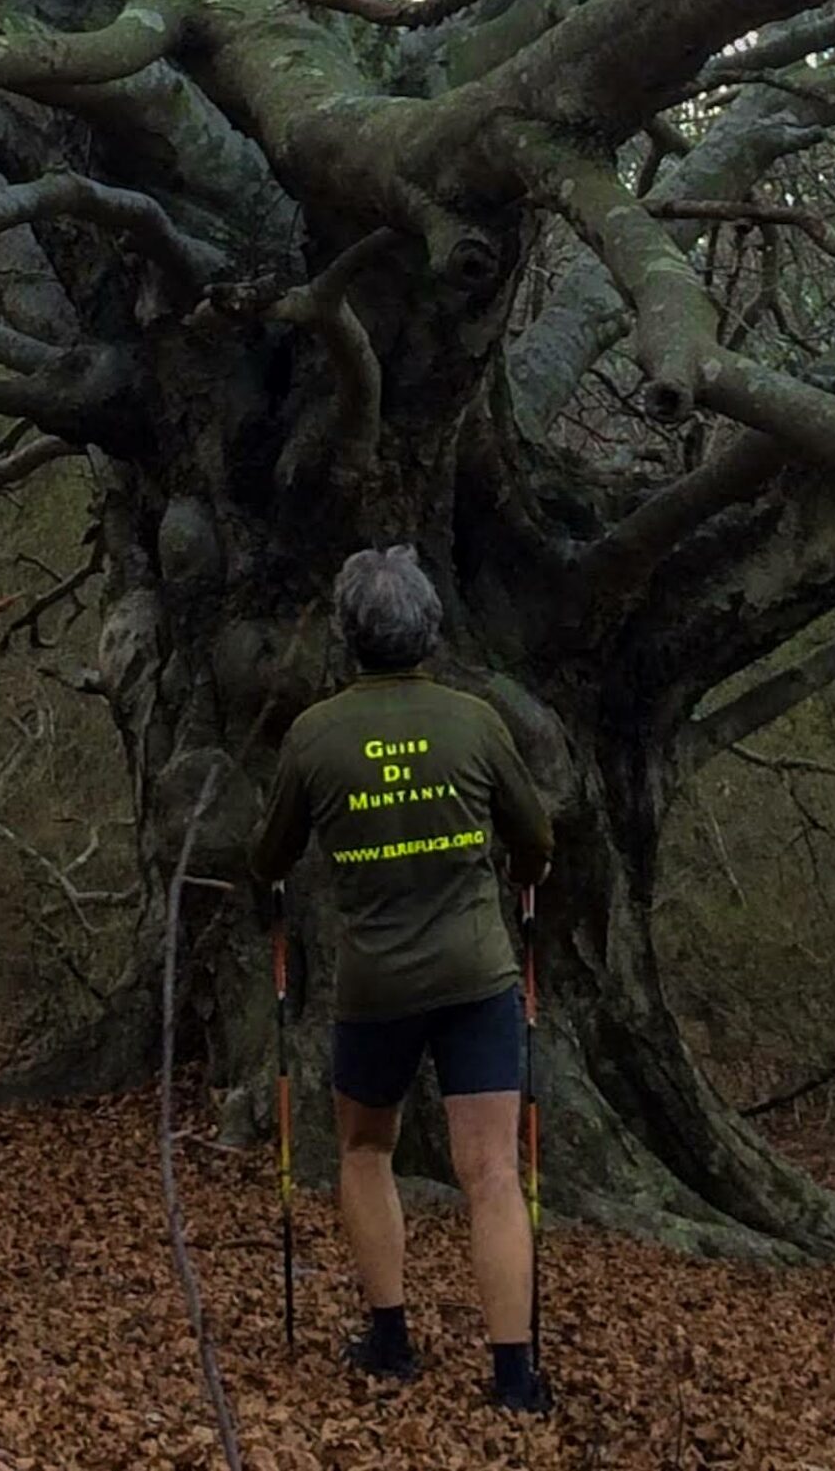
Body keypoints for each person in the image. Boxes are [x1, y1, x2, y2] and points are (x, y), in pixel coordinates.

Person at [248, 544, 554, 1415]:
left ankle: (389, 1338)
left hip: (373, 983)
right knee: (491, 1170)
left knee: (363, 1147)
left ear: (348, 636)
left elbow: (269, 854)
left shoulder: (314, 734)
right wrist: (522, 868)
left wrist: (265, 886)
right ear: (430, 629)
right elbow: (535, 837)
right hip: (477, 977)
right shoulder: (475, 721)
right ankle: (513, 1376)